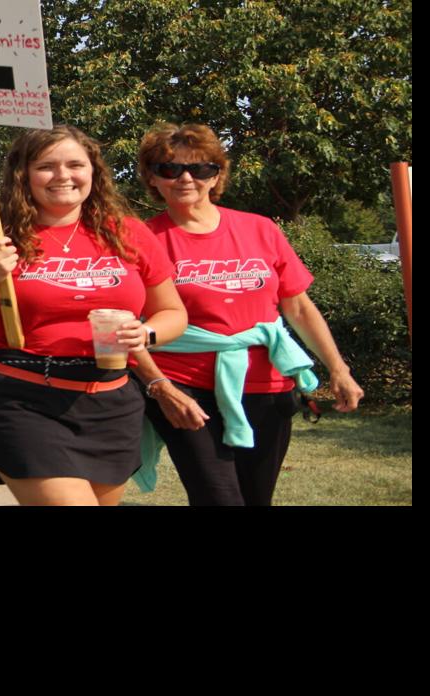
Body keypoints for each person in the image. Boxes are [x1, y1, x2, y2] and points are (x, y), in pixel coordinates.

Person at [0, 124, 188, 506]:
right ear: (23, 175)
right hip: (21, 397)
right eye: (47, 166)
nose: (63, 176)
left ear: (93, 171)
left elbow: (172, 312)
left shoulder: (127, 232)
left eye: (75, 165)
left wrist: (145, 334)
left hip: (111, 400)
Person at [131, 123, 365, 506]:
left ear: (217, 175)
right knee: (218, 497)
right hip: (184, 385)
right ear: (152, 178)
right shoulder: (142, 239)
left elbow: (299, 307)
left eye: (200, 168)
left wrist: (338, 369)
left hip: (265, 387)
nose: (185, 178)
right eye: (170, 169)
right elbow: (129, 322)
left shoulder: (260, 229)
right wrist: (159, 387)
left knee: (257, 498)